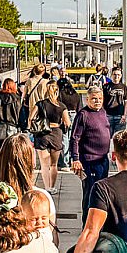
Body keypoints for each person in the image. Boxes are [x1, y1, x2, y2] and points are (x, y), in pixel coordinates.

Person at [70, 85, 113, 220]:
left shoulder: (103, 112)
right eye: (94, 99)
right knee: (90, 193)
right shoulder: (83, 115)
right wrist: (76, 159)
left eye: (100, 98)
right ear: (87, 99)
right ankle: (86, 223)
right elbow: (75, 138)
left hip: (103, 160)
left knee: (102, 193)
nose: (97, 101)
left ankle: (100, 221)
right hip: (89, 161)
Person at [29, 82, 70, 195]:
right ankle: (52, 187)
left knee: (44, 164)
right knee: (53, 164)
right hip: (56, 134)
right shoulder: (62, 106)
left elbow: (31, 118)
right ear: (57, 92)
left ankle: (47, 187)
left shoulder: (40, 104)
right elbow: (67, 123)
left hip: (42, 134)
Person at [56, 72, 81, 169]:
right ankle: (72, 159)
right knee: (73, 138)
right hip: (74, 115)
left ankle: (65, 162)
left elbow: (59, 107)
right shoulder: (76, 94)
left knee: (64, 139)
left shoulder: (60, 95)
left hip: (64, 116)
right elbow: (79, 107)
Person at [0, 78, 21, 143]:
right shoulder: (16, 98)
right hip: (13, 125)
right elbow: (19, 112)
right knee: (12, 145)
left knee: (1, 146)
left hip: (1, 125)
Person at [103, 67, 127, 136]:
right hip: (108, 115)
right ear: (111, 75)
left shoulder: (123, 87)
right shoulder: (106, 86)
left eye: (118, 75)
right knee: (108, 136)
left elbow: (126, 101)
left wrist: (124, 115)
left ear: (121, 76)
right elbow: (102, 101)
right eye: (114, 74)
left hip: (120, 115)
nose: (116, 76)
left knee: (119, 138)